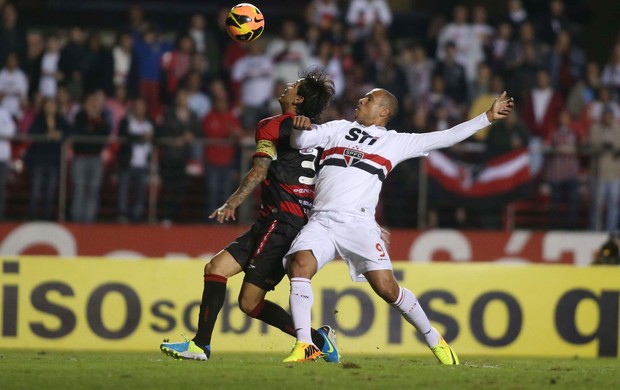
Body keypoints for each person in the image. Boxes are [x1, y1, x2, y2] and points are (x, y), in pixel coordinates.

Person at [282, 88, 514, 363]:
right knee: (299, 266)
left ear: (383, 112)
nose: (360, 100)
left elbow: (446, 138)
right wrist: (297, 128)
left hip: (359, 224)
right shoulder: (338, 127)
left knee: (387, 289)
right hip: (321, 219)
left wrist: (486, 117)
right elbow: (300, 142)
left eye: (368, 99)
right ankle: (306, 344)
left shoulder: (395, 142)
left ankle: (434, 339)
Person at [160, 68, 339, 362]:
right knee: (215, 268)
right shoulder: (322, 135)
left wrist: (232, 201)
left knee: (249, 303)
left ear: (299, 99)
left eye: (294, 86)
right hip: (280, 221)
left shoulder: (271, 125)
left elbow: (259, 170)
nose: (287, 86)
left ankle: (317, 339)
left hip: (282, 222)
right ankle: (200, 345)